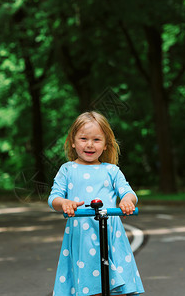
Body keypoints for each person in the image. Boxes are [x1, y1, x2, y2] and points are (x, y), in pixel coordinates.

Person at [48, 111, 145, 296]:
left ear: (106, 144)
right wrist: (65, 203)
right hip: (82, 237)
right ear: (73, 142)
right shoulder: (67, 170)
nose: (90, 144)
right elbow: (54, 198)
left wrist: (126, 201)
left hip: (111, 236)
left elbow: (128, 192)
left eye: (96, 140)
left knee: (119, 288)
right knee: (90, 286)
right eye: (83, 138)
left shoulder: (112, 170)